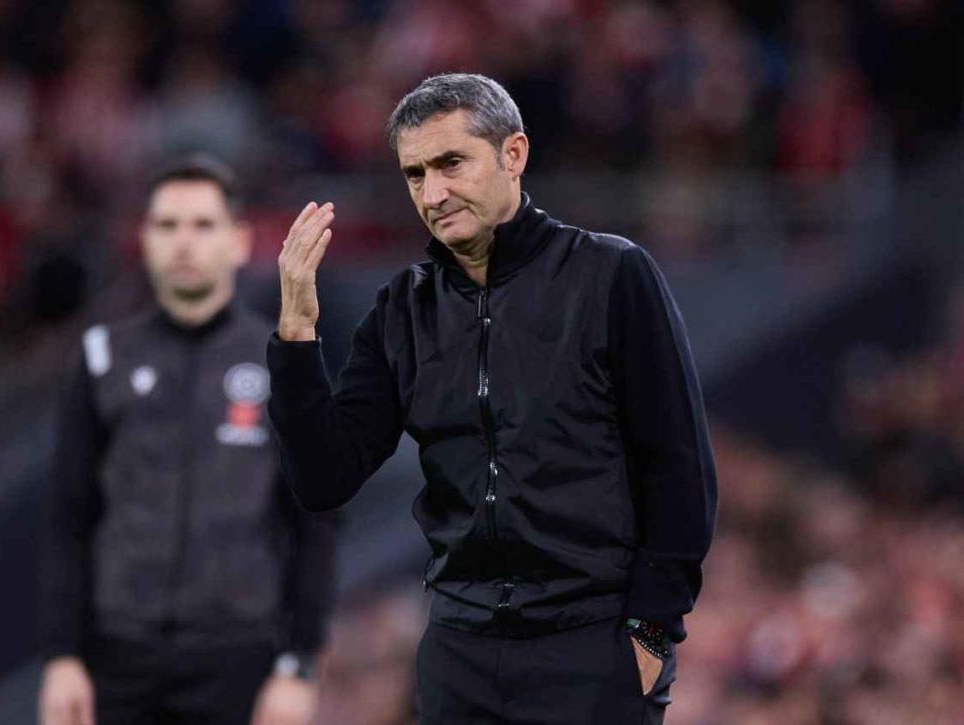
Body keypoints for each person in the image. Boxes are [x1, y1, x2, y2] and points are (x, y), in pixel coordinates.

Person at [269, 73, 718, 724]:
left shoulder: (610, 275)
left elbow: (679, 467)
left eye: (451, 163)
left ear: (513, 154)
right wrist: (295, 337)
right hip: (460, 650)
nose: (433, 193)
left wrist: (652, 630)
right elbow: (324, 479)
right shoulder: (402, 311)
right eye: (416, 174)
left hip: (590, 643)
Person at [38, 155, 338, 725]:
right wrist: (62, 656)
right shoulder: (102, 358)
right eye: (167, 225)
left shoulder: (283, 364)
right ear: (144, 240)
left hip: (240, 660)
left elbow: (315, 527)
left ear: (238, 241)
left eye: (203, 225)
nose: (183, 242)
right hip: (115, 658)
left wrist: (299, 665)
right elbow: (68, 518)